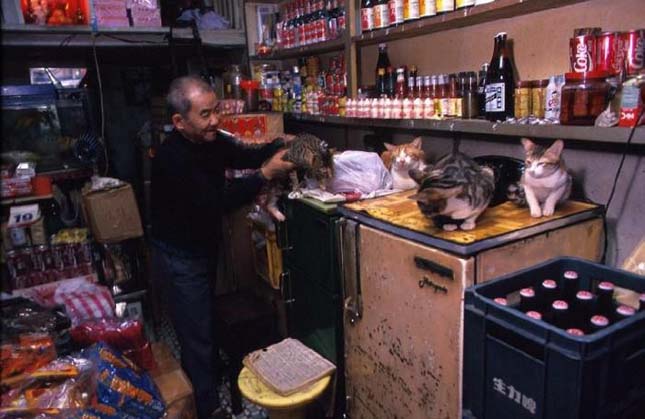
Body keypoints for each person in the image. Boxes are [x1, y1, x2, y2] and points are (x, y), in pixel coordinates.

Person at [150, 75, 294, 419]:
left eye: (216, 111)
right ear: (179, 122)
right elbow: (215, 203)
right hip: (179, 256)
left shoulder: (211, 141)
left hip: (202, 248)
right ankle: (209, 408)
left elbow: (245, 155)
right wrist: (264, 174)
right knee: (196, 335)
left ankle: (206, 386)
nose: (215, 120)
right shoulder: (172, 158)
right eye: (205, 114)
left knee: (203, 323)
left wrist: (278, 146)